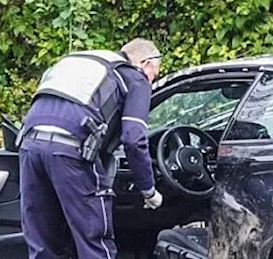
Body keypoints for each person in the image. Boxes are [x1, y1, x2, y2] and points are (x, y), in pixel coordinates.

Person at [19, 38, 165, 259]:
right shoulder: (135, 77)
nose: (153, 79)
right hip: (71, 151)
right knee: (94, 241)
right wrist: (148, 190)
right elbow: (134, 139)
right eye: (155, 73)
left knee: (43, 242)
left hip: (29, 146)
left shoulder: (80, 65)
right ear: (146, 63)